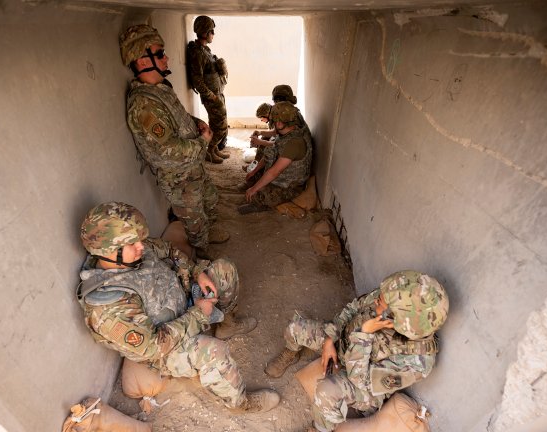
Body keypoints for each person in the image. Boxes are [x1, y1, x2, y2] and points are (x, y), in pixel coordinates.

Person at [76, 202, 280, 414]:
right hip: (167, 346)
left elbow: (169, 250)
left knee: (223, 270)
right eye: (132, 244)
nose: (141, 246)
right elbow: (154, 346)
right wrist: (199, 314)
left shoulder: (132, 253)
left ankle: (227, 325)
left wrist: (196, 272)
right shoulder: (109, 303)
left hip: (184, 302)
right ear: (109, 250)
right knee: (214, 351)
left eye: (139, 240)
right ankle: (241, 404)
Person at [264, 270, 449, 431]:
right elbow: (352, 309)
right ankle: (289, 354)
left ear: (397, 320)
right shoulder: (390, 297)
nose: (377, 298)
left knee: (326, 391)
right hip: (345, 345)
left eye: (383, 302)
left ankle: (320, 429)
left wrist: (364, 333)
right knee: (295, 329)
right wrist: (329, 340)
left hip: (363, 384)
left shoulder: (416, 361)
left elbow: (359, 379)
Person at [120, 24, 228, 257]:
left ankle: (208, 233)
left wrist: (195, 121)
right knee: (194, 221)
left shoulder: (160, 89)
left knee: (210, 198)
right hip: (179, 177)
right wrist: (203, 142)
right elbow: (168, 150)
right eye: (159, 54)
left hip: (193, 166)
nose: (166, 57)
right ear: (141, 61)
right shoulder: (144, 105)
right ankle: (201, 257)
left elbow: (177, 114)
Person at [238, 101, 313, 214]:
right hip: (282, 177)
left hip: (290, 186)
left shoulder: (294, 142)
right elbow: (270, 153)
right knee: (255, 178)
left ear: (278, 123)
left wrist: (254, 189)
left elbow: (275, 172)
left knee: (256, 195)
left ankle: (262, 204)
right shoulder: (285, 134)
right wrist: (254, 171)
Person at [186, 16, 230, 164]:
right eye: (211, 31)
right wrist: (211, 96)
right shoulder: (197, 53)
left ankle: (214, 149)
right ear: (204, 32)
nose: (213, 34)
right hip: (212, 97)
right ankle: (209, 151)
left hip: (217, 94)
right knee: (221, 126)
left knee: (217, 124)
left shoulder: (205, 50)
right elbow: (197, 80)